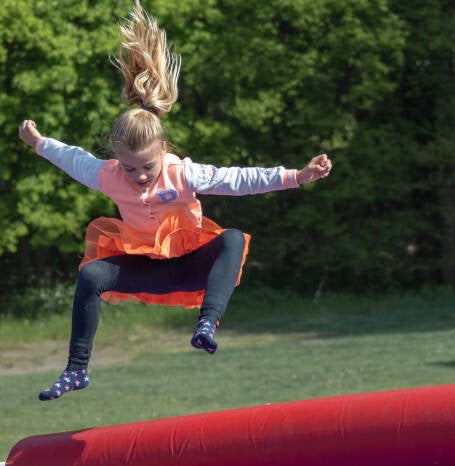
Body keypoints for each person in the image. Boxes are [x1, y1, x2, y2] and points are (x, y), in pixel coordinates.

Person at [18, 0, 332, 401]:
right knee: (91, 275)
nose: (140, 177)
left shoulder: (182, 172)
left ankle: (207, 325)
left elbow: (238, 179)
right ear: (118, 160)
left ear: (163, 149)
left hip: (190, 265)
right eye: (129, 169)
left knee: (233, 239)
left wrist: (297, 176)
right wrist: (40, 143)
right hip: (147, 267)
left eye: (147, 166)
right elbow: (74, 158)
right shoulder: (109, 175)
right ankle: (76, 369)